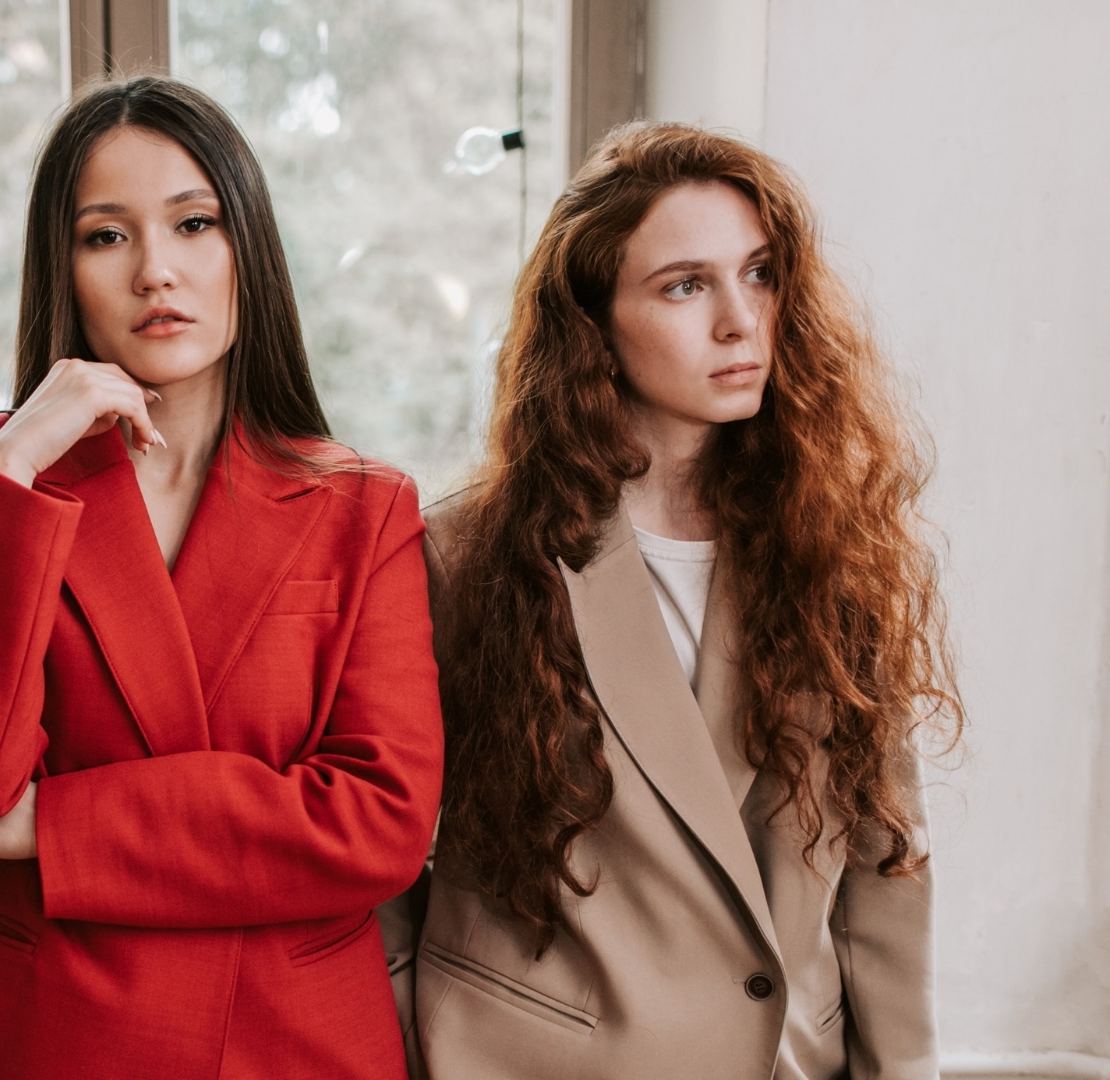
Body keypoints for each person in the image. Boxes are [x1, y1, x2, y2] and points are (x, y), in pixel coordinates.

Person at [0, 77, 443, 1080]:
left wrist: (56, 827)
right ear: (64, 265)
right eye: (106, 236)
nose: (155, 273)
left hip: (279, 1042)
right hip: (20, 1036)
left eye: (194, 223)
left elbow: (378, 823)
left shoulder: (363, 505)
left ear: (245, 249)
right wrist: (11, 475)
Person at [400, 123, 962, 1079]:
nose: (741, 320)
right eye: (686, 285)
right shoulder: (464, 555)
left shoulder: (837, 546)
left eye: (760, 273)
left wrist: (904, 1069)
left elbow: (884, 859)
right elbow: (382, 840)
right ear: (594, 324)